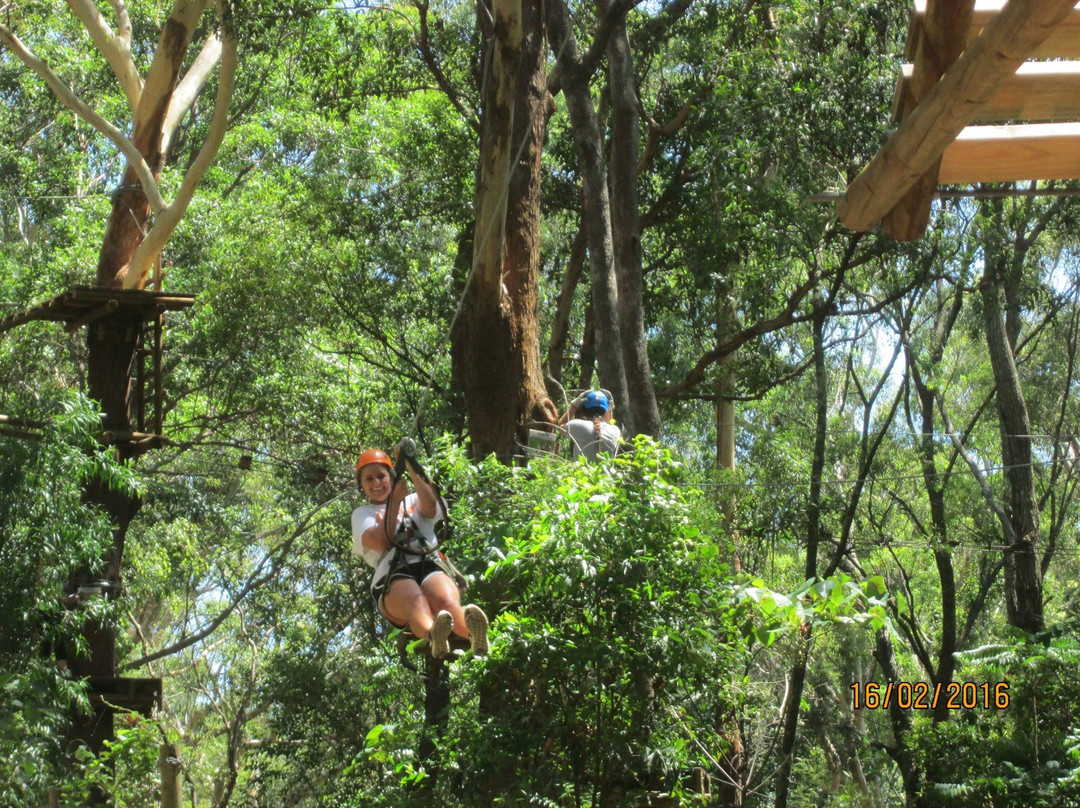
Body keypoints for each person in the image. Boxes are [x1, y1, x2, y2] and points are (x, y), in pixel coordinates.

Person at [351, 445, 488, 659]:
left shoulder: (413, 499)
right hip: (392, 574)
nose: (377, 483)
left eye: (381, 476)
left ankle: (474, 635)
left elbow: (431, 507)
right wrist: (395, 501)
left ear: (391, 477)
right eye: (369, 479)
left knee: (446, 601)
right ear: (361, 485)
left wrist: (410, 464)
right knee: (415, 599)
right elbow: (379, 541)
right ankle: (434, 634)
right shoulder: (363, 514)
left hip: (427, 562)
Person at [561, 390, 621, 462]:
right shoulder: (615, 431)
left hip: (581, 473)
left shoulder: (579, 426)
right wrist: (610, 409)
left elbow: (560, 426)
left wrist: (574, 406)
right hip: (606, 473)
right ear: (605, 411)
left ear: (584, 411)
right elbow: (609, 423)